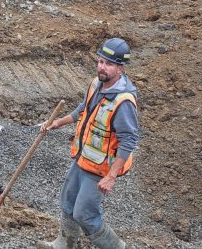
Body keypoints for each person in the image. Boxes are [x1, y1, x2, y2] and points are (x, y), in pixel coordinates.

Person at [37, 38, 140, 249]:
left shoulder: (123, 101)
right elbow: (84, 109)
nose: (103, 67)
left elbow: (129, 140)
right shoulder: (96, 84)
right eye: (101, 61)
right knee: (68, 201)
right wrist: (58, 122)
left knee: (85, 214)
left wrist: (111, 176)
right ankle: (64, 244)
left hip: (101, 167)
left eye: (109, 64)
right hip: (83, 157)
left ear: (120, 68)